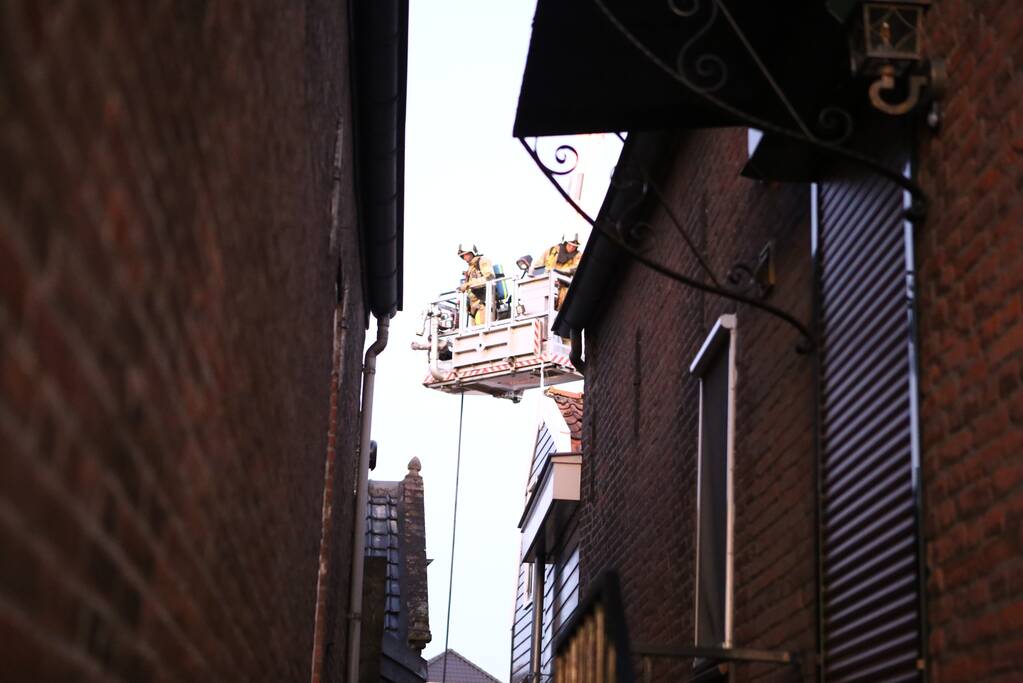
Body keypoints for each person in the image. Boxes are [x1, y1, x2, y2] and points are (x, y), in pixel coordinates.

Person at [456, 243, 495, 326]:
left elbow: (489, 277)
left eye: (465, 254)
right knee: (473, 335)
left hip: (483, 305)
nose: (464, 258)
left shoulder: (482, 261)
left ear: (471, 252)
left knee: (482, 332)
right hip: (474, 308)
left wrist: (468, 284)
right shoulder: (471, 268)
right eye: (462, 256)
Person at [542, 234, 582, 309]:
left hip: (565, 286)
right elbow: (540, 263)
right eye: (570, 245)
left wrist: (558, 272)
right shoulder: (553, 250)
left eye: (574, 246)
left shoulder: (578, 256)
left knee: (562, 305)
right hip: (548, 284)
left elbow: (575, 269)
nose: (572, 248)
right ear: (565, 243)